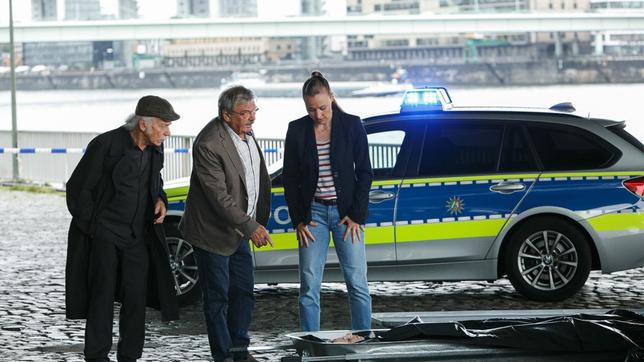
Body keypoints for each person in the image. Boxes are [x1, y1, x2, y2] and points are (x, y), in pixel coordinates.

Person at [65, 95, 181, 362]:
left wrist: (160, 199)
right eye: (163, 125)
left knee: (136, 299)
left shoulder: (155, 149)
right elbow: (78, 190)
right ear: (144, 124)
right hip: (103, 235)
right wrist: (93, 228)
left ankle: (130, 356)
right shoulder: (105, 145)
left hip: (137, 236)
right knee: (101, 297)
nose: (167, 132)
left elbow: (155, 180)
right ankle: (96, 356)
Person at [179, 86, 273, 362]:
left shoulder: (246, 132)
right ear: (226, 115)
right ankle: (222, 355)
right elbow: (219, 198)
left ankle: (239, 349)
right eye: (245, 113)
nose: (252, 118)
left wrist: (252, 222)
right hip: (212, 233)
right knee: (218, 297)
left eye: (254, 111)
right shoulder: (209, 143)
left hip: (239, 230)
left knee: (243, 291)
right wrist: (251, 226)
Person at [283, 71, 374, 332]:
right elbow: (290, 179)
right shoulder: (297, 129)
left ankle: (362, 337)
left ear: (332, 98)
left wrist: (357, 215)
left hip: (347, 216)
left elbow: (365, 173)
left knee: (357, 281)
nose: (318, 115)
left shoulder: (352, 124)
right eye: (311, 110)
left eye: (323, 108)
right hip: (313, 215)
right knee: (309, 284)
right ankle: (310, 342)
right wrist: (299, 219)